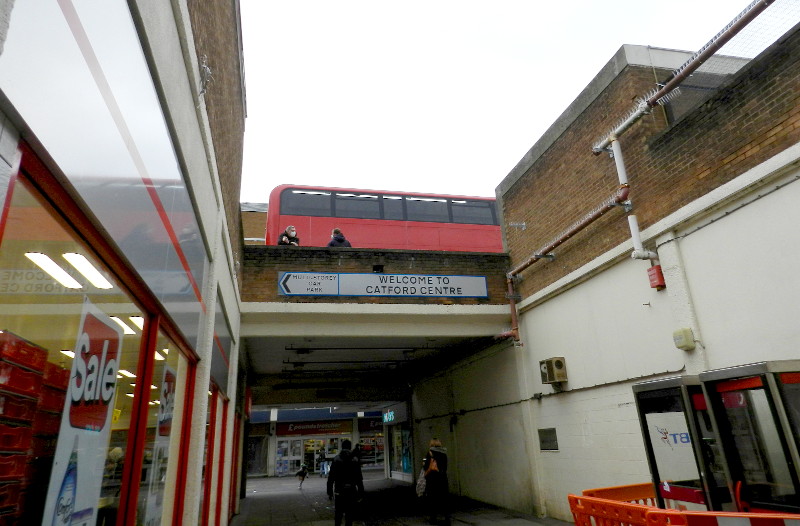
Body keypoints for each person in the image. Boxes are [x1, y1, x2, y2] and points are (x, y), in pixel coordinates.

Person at [327, 439, 364, 526]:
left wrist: (329, 491)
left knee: (338, 514)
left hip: (339, 490)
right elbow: (359, 477)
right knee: (349, 514)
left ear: (342, 447)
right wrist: (361, 492)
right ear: (350, 447)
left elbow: (331, 477)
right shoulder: (354, 459)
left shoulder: (336, 459)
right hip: (351, 490)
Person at [423, 438, 450, 525]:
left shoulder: (429, 453)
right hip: (442, 479)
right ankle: (447, 518)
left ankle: (433, 518)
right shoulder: (444, 454)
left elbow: (425, 466)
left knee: (432, 500)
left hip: (432, 480)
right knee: (444, 500)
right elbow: (445, 467)